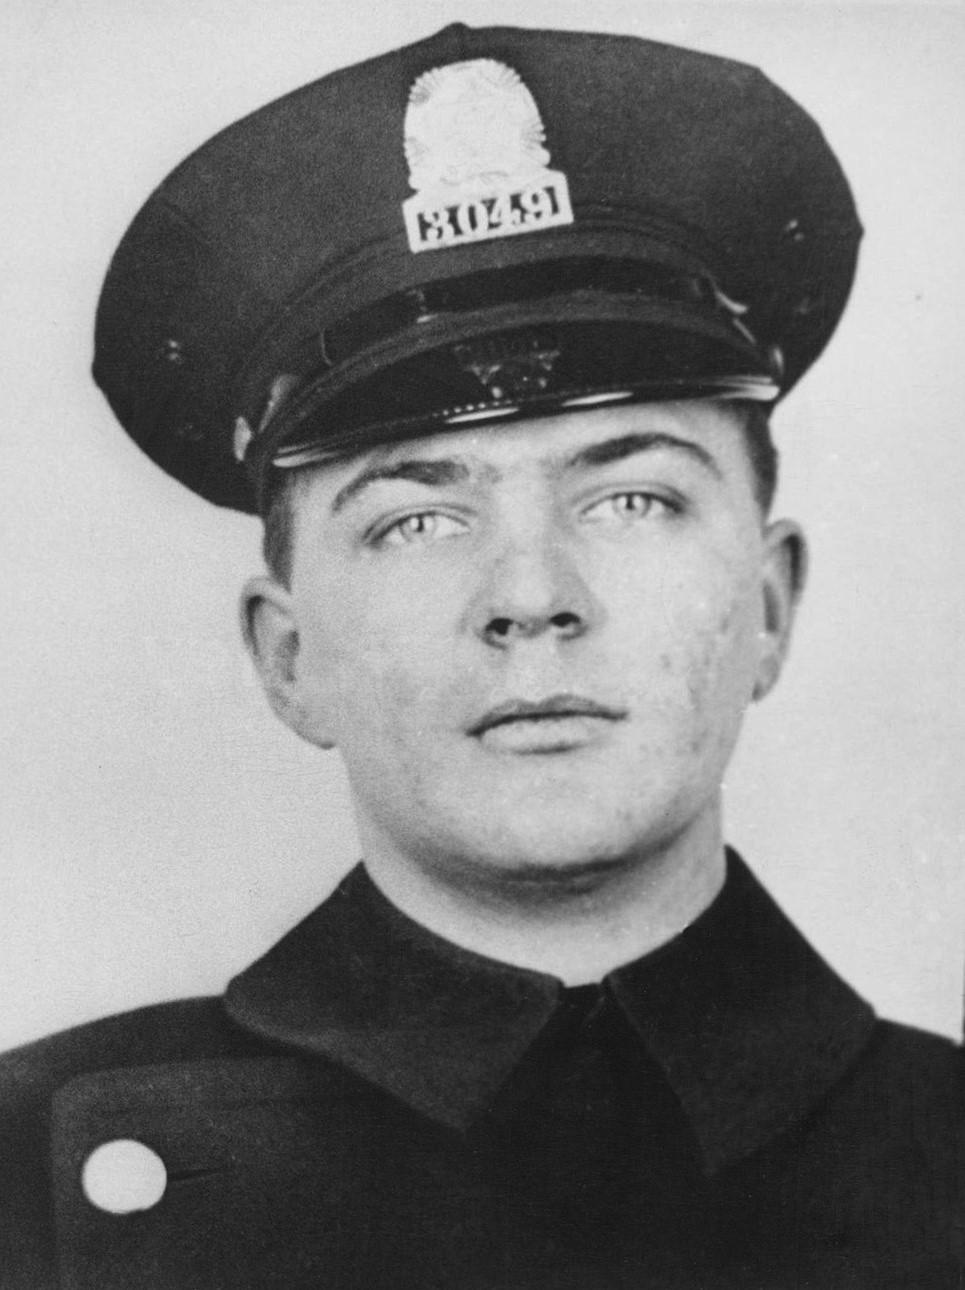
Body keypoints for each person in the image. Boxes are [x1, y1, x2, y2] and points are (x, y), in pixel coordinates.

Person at [0, 20, 960, 1290]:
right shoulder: (22, 1170)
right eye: (417, 522)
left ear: (769, 605)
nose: (531, 597)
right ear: (287, 658)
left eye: (630, 500)